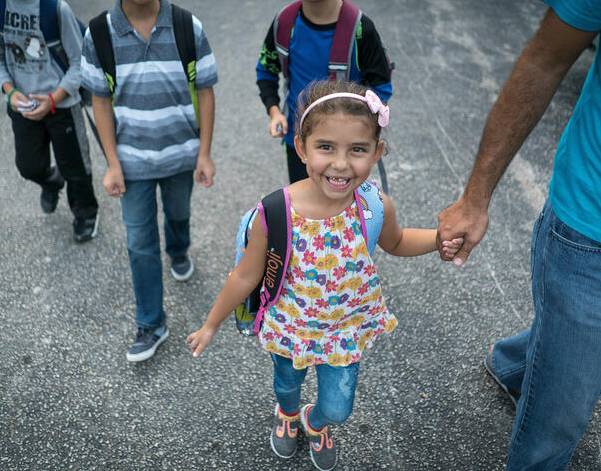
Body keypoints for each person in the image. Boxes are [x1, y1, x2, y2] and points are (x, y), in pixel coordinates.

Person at [187, 80, 462, 471]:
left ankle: (314, 421)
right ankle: (287, 412)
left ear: (377, 153)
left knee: (339, 406)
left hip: (344, 331)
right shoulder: (275, 213)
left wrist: (439, 240)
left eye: (358, 150)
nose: (341, 163)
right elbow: (244, 277)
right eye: (326, 147)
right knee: (286, 384)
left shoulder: (373, 205)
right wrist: (211, 325)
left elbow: (397, 242)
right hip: (290, 327)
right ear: (302, 148)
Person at [436, 0, 601, 469]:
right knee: (554, 432)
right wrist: (475, 198)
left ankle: (521, 362)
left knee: (571, 351)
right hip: (595, 230)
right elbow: (544, 60)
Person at [81, 0, 217, 362]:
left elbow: (205, 91)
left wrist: (204, 153)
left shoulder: (188, 26)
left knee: (178, 214)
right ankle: (151, 324)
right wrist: (112, 162)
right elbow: (100, 101)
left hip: (180, 156)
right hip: (131, 163)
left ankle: (178, 249)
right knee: (140, 241)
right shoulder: (99, 33)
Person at [0, 0, 99, 242]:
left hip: (62, 102)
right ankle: (52, 182)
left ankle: (85, 213)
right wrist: (10, 91)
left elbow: (79, 63)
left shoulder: (56, 9)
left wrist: (55, 98)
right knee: (28, 166)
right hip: (22, 103)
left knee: (75, 167)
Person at [256, 0, 392, 184]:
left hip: (345, 150)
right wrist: (275, 111)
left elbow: (381, 88)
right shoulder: (285, 23)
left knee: (343, 207)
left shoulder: (361, 29)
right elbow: (266, 71)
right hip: (300, 142)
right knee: (304, 207)